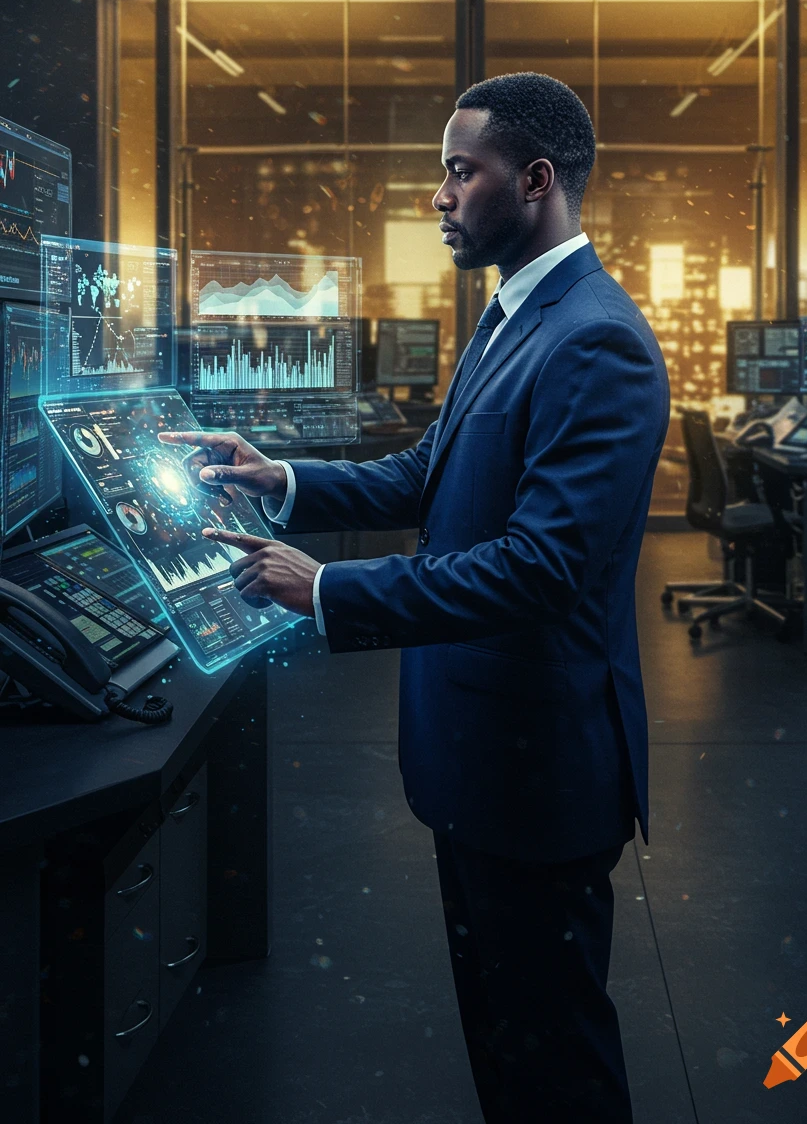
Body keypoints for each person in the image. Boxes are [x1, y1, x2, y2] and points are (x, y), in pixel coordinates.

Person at [161, 71, 670, 1124]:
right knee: (504, 1045)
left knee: (556, 1064)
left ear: (533, 180)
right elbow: (424, 475)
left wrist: (330, 589)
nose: (437, 195)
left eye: (457, 170)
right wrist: (282, 477)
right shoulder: (509, 317)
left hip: (537, 776)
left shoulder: (597, 339)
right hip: (477, 759)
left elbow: (540, 565)